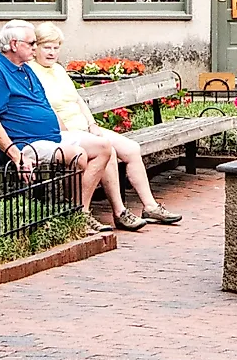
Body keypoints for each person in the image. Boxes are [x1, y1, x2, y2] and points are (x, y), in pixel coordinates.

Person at [29, 24, 179, 229]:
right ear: (35, 47)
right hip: (66, 133)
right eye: (47, 47)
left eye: (56, 47)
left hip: (84, 127)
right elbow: (45, 108)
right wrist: (66, 133)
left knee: (131, 149)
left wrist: (92, 124)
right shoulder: (31, 72)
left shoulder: (58, 70)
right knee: (106, 150)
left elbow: (78, 100)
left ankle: (150, 207)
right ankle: (120, 212)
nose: (52, 52)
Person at [0, 20, 110, 234]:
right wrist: (17, 156)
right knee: (78, 155)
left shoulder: (26, 70)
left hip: (51, 137)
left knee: (103, 147)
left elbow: (45, 107)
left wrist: (66, 133)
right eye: (31, 43)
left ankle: (80, 213)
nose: (35, 47)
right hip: (26, 144)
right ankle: (75, 217)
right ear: (13, 44)